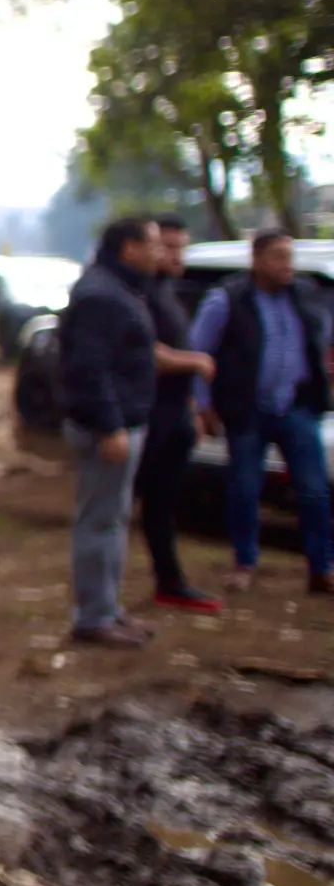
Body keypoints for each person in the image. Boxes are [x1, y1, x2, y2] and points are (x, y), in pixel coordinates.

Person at [190, 228, 331, 596]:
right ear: (257, 260)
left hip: (296, 406)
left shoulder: (304, 294)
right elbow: (200, 353)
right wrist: (203, 405)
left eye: (290, 257)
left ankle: (321, 567)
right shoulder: (227, 300)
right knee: (245, 488)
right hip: (247, 409)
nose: (287, 265)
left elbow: (322, 340)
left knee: (314, 489)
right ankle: (244, 562)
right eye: (278, 257)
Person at [57, 216, 165, 647]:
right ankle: (93, 617)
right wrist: (111, 426)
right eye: (153, 244)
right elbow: (90, 368)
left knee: (113, 520)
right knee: (99, 522)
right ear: (129, 248)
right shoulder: (102, 295)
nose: (160, 253)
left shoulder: (119, 289)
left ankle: (107, 608)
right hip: (108, 427)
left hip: (123, 422)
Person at [135, 215, 219, 613]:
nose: (174, 256)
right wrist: (196, 362)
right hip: (146, 416)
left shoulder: (168, 293)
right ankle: (98, 599)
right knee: (123, 505)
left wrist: (192, 405)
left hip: (173, 415)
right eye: (167, 247)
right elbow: (148, 353)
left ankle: (169, 581)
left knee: (163, 505)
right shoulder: (139, 295)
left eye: (180, 247)